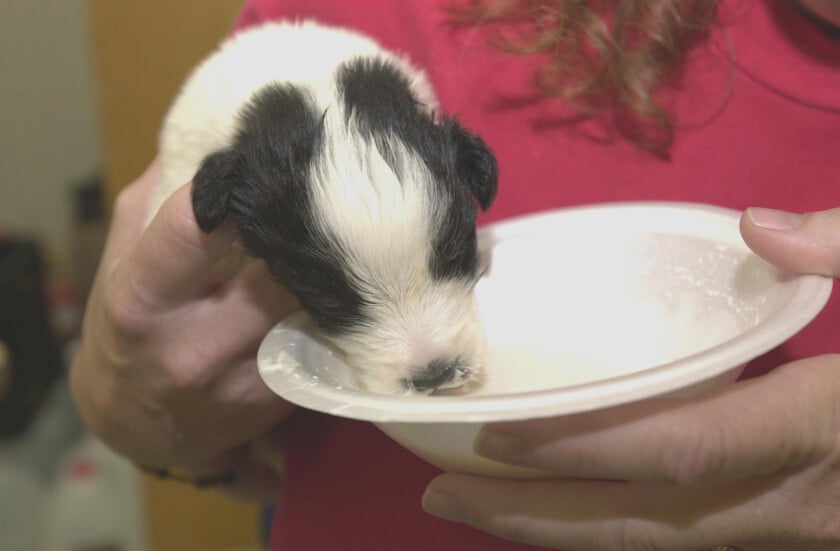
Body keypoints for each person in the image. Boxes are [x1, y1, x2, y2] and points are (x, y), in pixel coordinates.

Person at [70, 0, 840, 549]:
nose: (425, 348)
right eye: (343, 297)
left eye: (450, 259)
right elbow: (149, 400)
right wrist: (133, 401)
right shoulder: (309, 45)